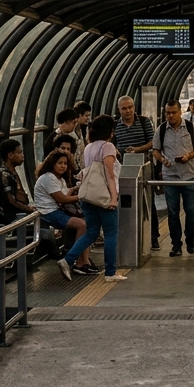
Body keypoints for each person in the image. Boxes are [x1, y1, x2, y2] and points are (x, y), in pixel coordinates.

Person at [32, 149, 97, 279]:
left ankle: (84, 261)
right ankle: (77, 261)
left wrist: (74, 189)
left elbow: (65, 194)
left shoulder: (58, 179)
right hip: (49, 212)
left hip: (56, 210)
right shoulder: (48, 178)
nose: (63, 166)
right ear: (52, 164)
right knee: (82, 225)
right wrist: (82, 196)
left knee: (87, 223)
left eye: (65, 163)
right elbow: (61, 199)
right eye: (59, 163)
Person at [153, 99, 194, 257]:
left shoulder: (191, 127)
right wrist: (163, 160)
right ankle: (176, 244)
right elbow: (155, 150)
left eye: (173, 112)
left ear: (180, 112)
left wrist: (189, 156)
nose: (170, 115)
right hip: (170, 178)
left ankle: (190, 239)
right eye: (168, 113)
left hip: (189, 176)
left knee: (191, 210)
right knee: (173, 212)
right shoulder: (161, 130)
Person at [81, 115, 127, 281]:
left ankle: (68, 259)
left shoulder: (88, 147)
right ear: (110, 131)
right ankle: (110, 272)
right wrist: (114, 198)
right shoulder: (108, 147)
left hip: (89, 196)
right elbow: (110, 175)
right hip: (104, 196)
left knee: (91, 232)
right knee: (110, 234)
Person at [113, 95, 160, 249]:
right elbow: (112, 144)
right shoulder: (116, 126)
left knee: (148, 201)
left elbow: (152, 142)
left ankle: (153, 237)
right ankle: (129, 237)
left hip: (143, 167)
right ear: (119, 110)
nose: (128, 111)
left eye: (130, 107)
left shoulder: (144, 121)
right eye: (124, 108)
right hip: (123, 168)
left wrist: (137, 150)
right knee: (126, 202)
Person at [0, 139, 33, 226]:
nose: (22, 156)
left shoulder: (12, 172)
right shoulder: (4, 175)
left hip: (19, 213)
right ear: (10, 155)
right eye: (19, 152)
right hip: (12, 217)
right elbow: (11, 200)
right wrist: (29, 209)